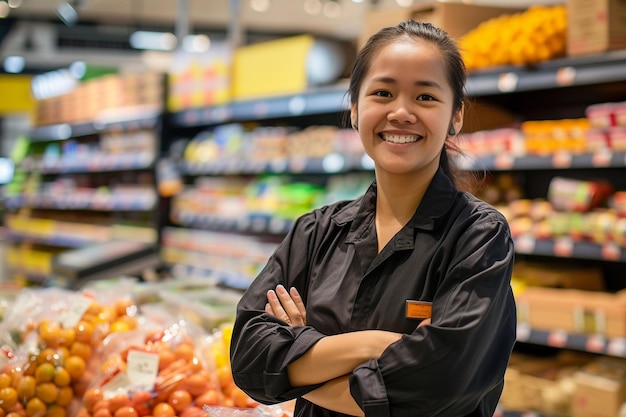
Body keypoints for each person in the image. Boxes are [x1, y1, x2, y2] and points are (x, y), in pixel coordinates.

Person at [229, 19, 517, 417]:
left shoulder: (478, 237)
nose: (401, 112)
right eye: (382, 92)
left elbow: (439, 383)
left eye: (426, 97)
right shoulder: (315, 232)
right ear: (355, 109)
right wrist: (375, 346)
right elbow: (249, 358)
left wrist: (300, 355)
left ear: (456, 116)